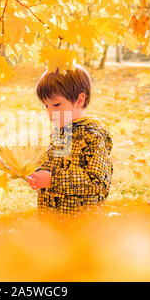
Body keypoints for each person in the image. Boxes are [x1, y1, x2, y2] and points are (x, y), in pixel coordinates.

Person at [26, 64, 113, 220]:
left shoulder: (92, 136)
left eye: (56, 105)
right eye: (46, 106)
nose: (50, 112)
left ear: (79, 100)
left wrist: (53, 180)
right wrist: (38, 174)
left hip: (79, 226)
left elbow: (98, 182)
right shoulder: (61, 133)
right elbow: (56, 166)